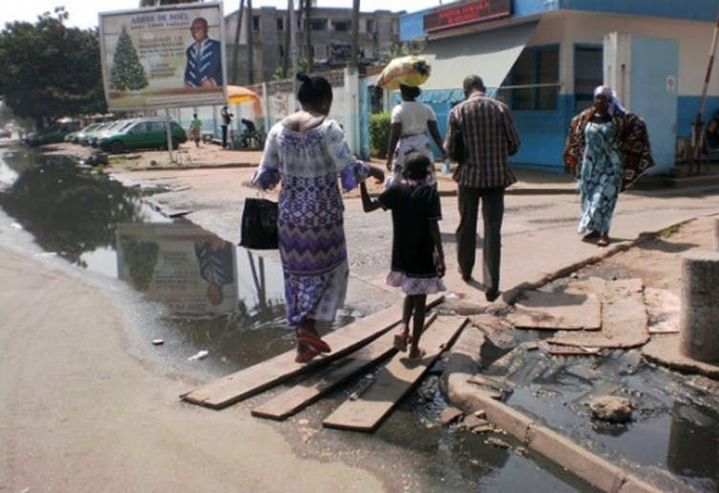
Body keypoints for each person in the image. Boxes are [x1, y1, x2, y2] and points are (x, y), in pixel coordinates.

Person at [251, 73, 385, 363]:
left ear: (300, 100)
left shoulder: (277, 131)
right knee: (331, 272)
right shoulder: (329, 129)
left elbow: (265, 176)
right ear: (326, 100)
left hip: (289, 220)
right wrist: (373, 170)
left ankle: (303, 343)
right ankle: (309, 328)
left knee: (297, 278)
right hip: (324, 218)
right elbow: (348, 168)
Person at [360, 153, 445, 359]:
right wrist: (440, 255)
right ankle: (414, 348)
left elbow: (367, 207)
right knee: (420, 302)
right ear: (426, 173)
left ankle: (403, 327)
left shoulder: (396, 190)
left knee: (410, 292)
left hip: (401, 254)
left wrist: (362, 183)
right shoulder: (429, 193)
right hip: (422, 255)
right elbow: (433, 227)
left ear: (405, 171)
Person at [444, 75, 519, 302]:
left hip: (468, 178)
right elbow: (514, 144)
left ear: (465, 90)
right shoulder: (501, 109)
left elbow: (450, 148)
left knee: (466, 225)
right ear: (483, 88)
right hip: (496, 178)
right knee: (492, 230)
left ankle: (465, 269)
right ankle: (491, 285)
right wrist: (496, 155)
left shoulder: (457, 112)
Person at [563, 85, 654, 247]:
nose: (599, 101)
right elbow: (575, 134)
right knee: (589, 197)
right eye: (597, 98)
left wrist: (623, 144)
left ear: (610, 100)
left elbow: (639, 124)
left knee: (605, 197)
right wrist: (576, 156)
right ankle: (595, 229)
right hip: (590, 165)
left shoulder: (619, 118)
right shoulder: (585, 117)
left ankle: (605, 232)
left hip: (612, 165)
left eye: (603, 98)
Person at [386, 84, 445, 186]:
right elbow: (435, 133)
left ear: (402, 93)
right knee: (428, 176)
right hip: (424, 146)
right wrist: (443, 151)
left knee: (400, 179)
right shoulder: (427, 109)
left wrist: (389, 157)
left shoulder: (398, 110)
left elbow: (395, 135)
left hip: (405, 147)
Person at [184, 17, 223, 88]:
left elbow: (225, 70)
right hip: (195, 93)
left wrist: (213, 82)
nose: (195, 31)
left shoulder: (217, 47)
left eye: (199, 28)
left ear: (207, 29)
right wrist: (188, 82)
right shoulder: (190, 50)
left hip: (213, 91)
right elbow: (188, 71)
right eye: (192, 29)